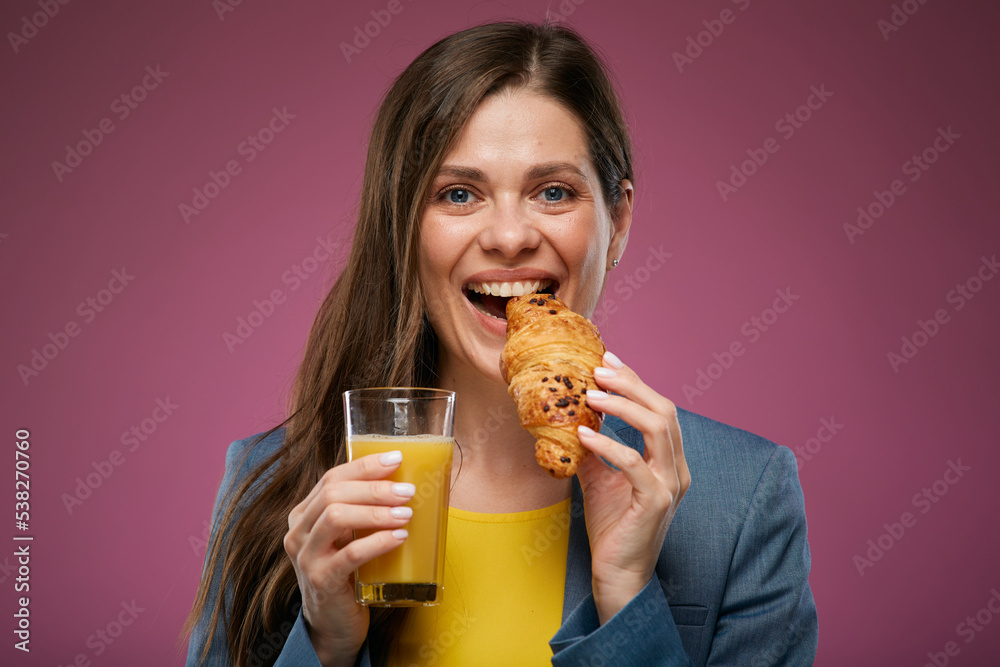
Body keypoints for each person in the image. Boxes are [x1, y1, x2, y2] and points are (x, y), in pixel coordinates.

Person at [184, 19, 817, 667]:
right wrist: (325, 643)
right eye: (459, 194)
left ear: (619, 220)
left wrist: (627, 598)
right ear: (403, 227)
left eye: (553, 192)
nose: (510, 237)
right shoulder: (272, 485)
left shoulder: (741, 498)